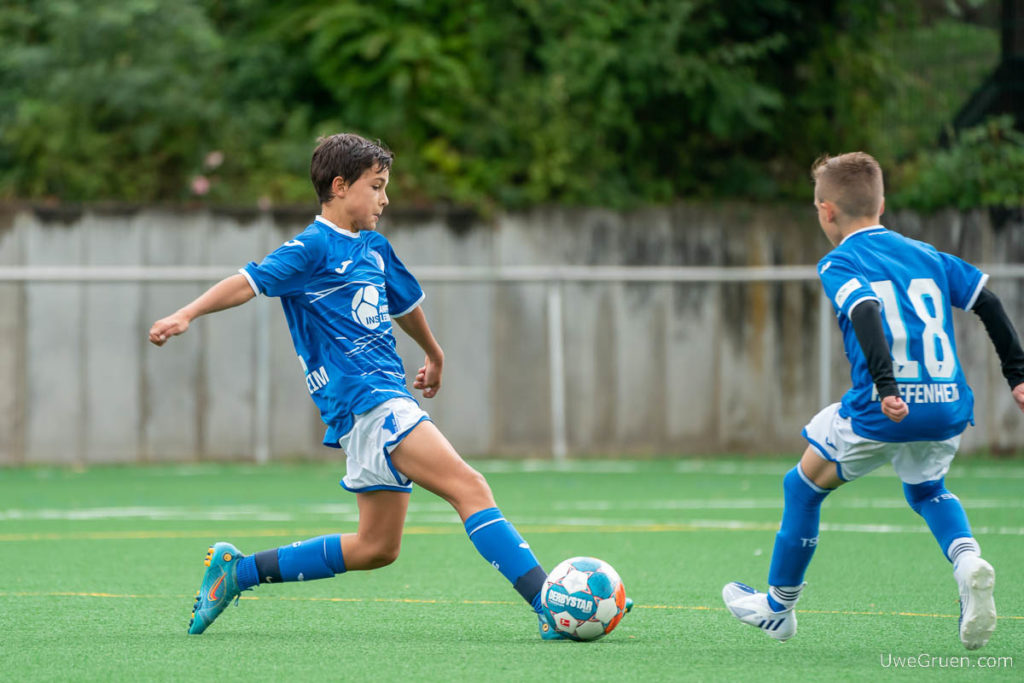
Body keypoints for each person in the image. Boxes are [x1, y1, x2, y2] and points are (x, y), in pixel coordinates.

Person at [149, 133, 629, 638]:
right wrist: (186, 314)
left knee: (377, 547)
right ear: (339, 187)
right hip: (367, 399)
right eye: (376, 187)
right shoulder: (311, 248)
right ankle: (548, 604)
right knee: (470, 488)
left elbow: (403, 305)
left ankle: (238, 572)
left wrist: (434, 352)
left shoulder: (375, 248)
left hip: (377, 403)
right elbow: (247, 282)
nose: (385, 198)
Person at [722, 152, 1024, 650]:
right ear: (882, 203)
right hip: (947, 403)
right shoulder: (926, 253)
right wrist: (1017, 374)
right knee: (927, 491)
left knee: (801, 488)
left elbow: (864, 311)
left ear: (825, 211)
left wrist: (886, 389)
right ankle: (968, 562)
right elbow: (987, 300)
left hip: (884, 409)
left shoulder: (840, 261)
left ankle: (778, 607)